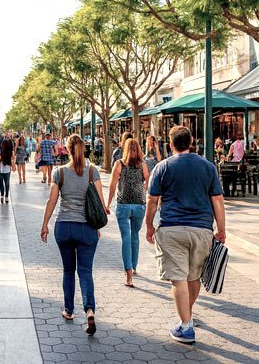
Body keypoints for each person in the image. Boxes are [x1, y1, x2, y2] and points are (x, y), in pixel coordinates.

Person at [146, 126, 226, 344]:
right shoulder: (208, 167)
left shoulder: (162, 167)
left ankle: (186, 325)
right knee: (194, 277)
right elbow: (217, 200)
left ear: (171, 144)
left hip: (172, 229)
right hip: (201, 230)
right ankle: (186, 317)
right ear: (191, 141)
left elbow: (152, 200)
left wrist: (149, 226)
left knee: (178, 279)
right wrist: (221, 229)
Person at [40, 134, 103, 335]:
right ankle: (90, 310)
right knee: (85, 271)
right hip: (87, 229)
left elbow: (51, 201)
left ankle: (68, 310)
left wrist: (45, 224)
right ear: (83, 148)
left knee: (68, 270)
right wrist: (98, 227)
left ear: (66, 149)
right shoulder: (93, 171)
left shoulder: (59, 173)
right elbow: (100, 204)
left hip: (65, 227)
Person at [106, 138, 149, 287]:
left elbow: (112, 185)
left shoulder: (119, 164)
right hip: (139, 206)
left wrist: (108, 203)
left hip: (123, 205)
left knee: (126, 237)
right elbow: (148, 182)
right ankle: (134, 267)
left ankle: (128, 272)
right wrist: (143, 193)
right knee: (135, 236)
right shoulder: (143, 165)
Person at [0, 134, 14, 203]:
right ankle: (6, 197)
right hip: (8, 168)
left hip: (1, 167)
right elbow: (12, 159)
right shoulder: (10, 152)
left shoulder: (0, 151)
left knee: (1, 182)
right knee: (7, 183)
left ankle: (2, 196)